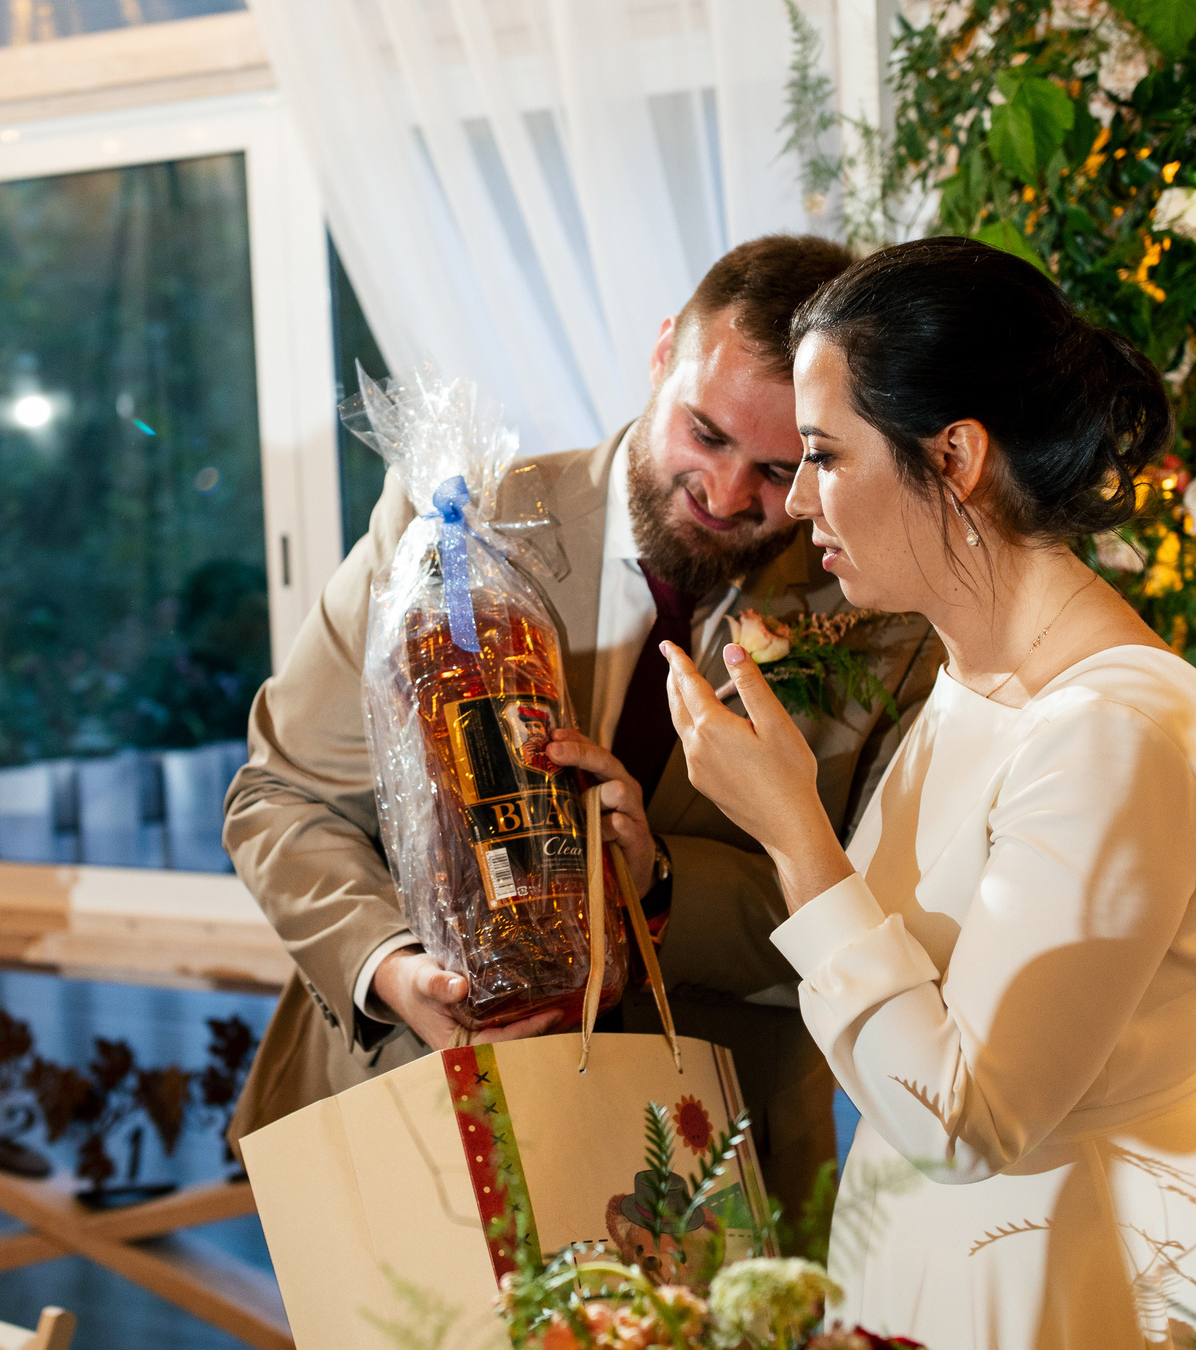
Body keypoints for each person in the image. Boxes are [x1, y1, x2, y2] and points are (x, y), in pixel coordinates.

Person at [662, 237, 1196, 1350]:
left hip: (1068, 1283)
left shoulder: (1117, 722)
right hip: (931, 1268)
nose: (796, 502)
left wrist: (793, 831)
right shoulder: (966, 681)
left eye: (825, 455)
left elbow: (975, 1112)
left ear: (953, 457)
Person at [225, 235, 940, 1205]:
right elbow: (283, 797)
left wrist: (659, 885)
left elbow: (884, 917)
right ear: (660, 356)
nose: (729, 496)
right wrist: (388, 968)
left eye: (781, 469)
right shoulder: (447, 525)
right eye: (707, 434)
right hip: (406, 1113)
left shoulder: (882, 625)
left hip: (707, 1165)